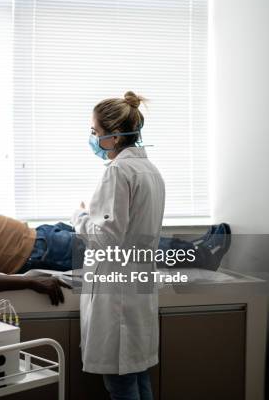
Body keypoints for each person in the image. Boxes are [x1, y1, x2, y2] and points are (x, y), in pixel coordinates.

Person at [71, 91, 164, 400]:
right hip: (136, 288)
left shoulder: (118, 172)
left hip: (118, 295)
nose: (93, 138)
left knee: (121, 384)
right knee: (138, 377)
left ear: (113, 136)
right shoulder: (150, 171)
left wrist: (80, 217)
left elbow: (108, 238)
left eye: (95, 133)